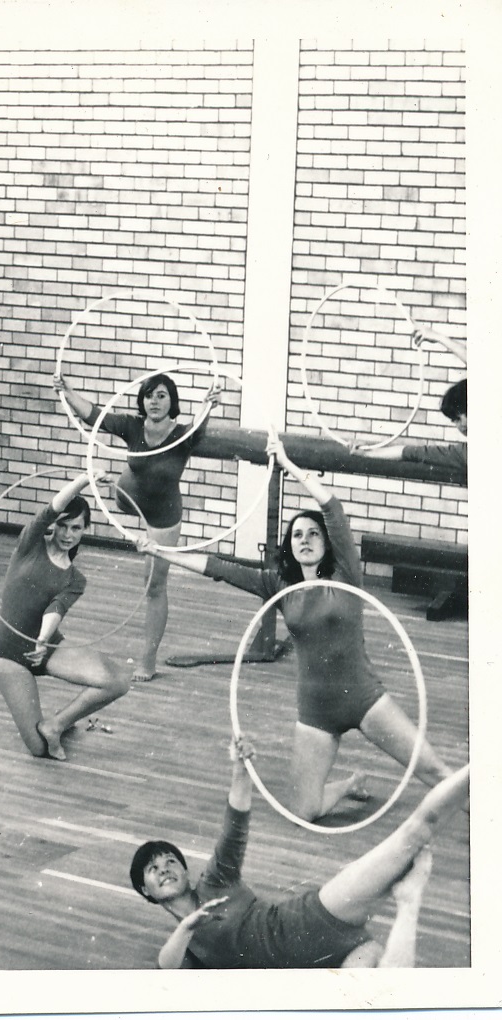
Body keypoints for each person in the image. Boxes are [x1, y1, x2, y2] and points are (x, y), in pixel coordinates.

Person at [138, 435, 454, 821]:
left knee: (435, 772)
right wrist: (159, 551)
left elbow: (332, 507)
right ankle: (349, 784)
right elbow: (219, 569)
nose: (305, 540)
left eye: (313, 533)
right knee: (304, 811)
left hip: (365, 699)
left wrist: (287, 464)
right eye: (297, 535)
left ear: (327, 542)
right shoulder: (279, 585)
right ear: (290, 546)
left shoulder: (345, 574)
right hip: (316, 712)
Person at [131, 736, 468, 968]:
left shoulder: (214, 881)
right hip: (331, 964)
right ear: (145, 890)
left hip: (316, 916)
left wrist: (240, 771)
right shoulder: (186, 946)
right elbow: (166, 969)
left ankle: (484, 763)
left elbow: (234, 827)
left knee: (414, 832)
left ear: (185, 871)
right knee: (385, 997)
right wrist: (187, 926)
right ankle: (410, 900)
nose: (164, 868)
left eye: (170, 860)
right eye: (153, 868)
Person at [53, 370, 222, 681]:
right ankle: (118, 486)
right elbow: (95, 416)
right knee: (127, 476)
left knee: (153, 585)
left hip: (161, 515)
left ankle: (148, 659)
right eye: (148, 395)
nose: (154, 401)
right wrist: (67, 391)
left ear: (172, 402)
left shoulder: (182, 435)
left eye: (161, 396)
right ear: (141, 401)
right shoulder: (132, 426)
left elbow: (200, 422)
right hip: (128, 498)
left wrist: (208, 403)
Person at [0, 470, 130, 761]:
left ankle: (57, 724)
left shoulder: (75, 579)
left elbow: (55, 609)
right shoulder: (30, 544)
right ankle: (49, 732)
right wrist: (85, 480)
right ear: (53, 525)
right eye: (63, 526)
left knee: (117, 681)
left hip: (47, 647)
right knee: (39, 749)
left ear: (85, 529)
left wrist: (42, 640)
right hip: (9, 652)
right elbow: (52, 507)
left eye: (76, 528)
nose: (68, 535)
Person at [365, 326, 467, 477]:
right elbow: (411, 452)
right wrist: (366, 453)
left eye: (458, 418)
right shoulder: (464, 453)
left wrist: (439, 337)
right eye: (454, 421)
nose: (460, 426)